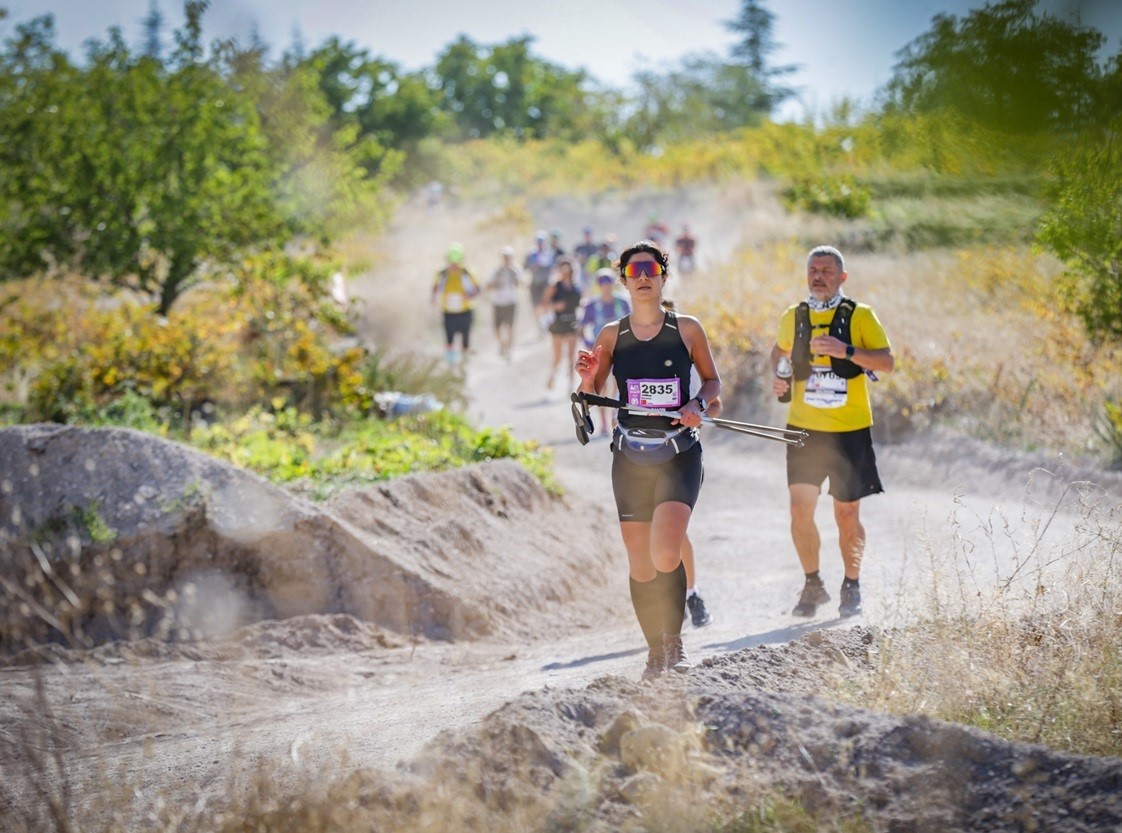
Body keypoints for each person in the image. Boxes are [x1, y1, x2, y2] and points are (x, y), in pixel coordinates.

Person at [575, 240, 721, 680]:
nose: (642, 276)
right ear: (623, 279)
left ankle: (673, 645)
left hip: (678, 454)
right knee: (639, 562)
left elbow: (713, 382)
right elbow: (592, 392)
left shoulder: (687, 329)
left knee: (664, 551)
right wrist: (585, 376)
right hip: (630, 458)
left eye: (650, 268)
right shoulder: (610, 335)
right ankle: (654, 650)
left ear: (662, 276)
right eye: (634, 270)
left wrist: (698, 402)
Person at [770, 245, 894, 618]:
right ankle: (813, 584)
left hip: (849, 430)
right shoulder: (794, 315)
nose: (818, 276)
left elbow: (886, 362)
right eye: (812, 270)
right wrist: (780, 380)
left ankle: (852, 584)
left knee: (846, 513)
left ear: (842, 277)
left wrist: (846, 350)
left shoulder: (861, 315)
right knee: (798, 508)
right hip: (804, 429)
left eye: (826, 270)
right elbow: (777, 354)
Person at [432, 242, 480, 366]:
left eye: (456, 260)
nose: (454, 264)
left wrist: (468, 296)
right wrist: (434, 298)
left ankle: (464, 363)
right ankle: (451, 364)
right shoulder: (442, 273)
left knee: (465, 337)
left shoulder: (467, 272)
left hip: (465, 311)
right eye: (451, 260)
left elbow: (478, 289)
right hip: (448, 312)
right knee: (449, 338)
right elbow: (435, 287)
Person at [542, 258, 583, 391]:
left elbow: (579, 303)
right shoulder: (555, 285)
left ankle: (570, 385)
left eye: (567, 268)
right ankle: (552, 377)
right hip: (558, 323)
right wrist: (555, 306)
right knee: (558, 356)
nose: (565, 272)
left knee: (571, 356)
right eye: (562, 268)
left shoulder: (576, 286)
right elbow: (544, 303)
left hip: (572, 321)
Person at [486, 246, 522, 360]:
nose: (506, 259)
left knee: (510, 327)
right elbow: (488, 285)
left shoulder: (515, 270)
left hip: (511, 302)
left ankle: (510, 350)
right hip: (498, 302)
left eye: (508, 257)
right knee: (496, 328)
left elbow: (520, 283)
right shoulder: (496, 271)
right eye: (504, 257)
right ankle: (503, 344)